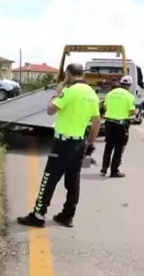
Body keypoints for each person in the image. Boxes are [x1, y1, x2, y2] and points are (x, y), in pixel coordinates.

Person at [17, 63, 101, 228]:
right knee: (73, 180)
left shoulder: (68, 91)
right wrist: (90, 142)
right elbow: (96, 121)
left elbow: (50, 110)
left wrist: (56, 94)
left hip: (63, 143)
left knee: (50, 178)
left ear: (68, 74)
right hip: (79, 142)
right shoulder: (91, 93)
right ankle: (67, 215)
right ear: (82, 74)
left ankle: (38, 215)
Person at [100, 75, 135, 178]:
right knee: (118, 149)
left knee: (108, 147)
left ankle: (104, 168)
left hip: (109, 123)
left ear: (121, 83)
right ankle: (114, 171)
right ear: (129, 85)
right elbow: (132, 111)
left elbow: (105, 106)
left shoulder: (110, 93)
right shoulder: (129, 96)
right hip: (121, 125)